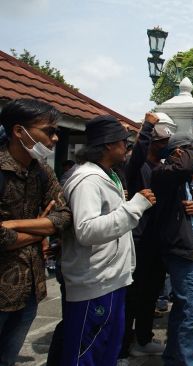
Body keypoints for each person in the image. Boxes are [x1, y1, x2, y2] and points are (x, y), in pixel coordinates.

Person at [60, 115, 156, 365]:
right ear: (107, 145)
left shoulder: (109, 175)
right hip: (94, 282)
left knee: (107, 352)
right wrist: (135, 206)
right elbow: (86, 230)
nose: (127, 147)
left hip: (112, 279)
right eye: (123, 142)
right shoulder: (88, 180)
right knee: (86, 354)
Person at [0, 99, 72, 366]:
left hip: (30, 288)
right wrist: (40, 229)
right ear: (19, 131)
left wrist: (16, 224)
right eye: (48, 130)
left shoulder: (41, 171)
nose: (54, 138)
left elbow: (63, 217)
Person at [149, 128, 193, 366]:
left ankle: (174, 358)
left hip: (192, 250)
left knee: (184, 308)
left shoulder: (184, 182)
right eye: (192, 154)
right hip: (181, 252)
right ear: (178, 153)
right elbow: (183, 167)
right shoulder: (162, 173)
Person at [118, 112, 171, 363]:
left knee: (150, 294)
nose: (165, 148)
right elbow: (138, 151)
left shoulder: (161, 168)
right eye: (161, 143)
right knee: (132, 296)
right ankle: (122, 345)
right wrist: (148, 126)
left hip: (155, 241)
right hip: (137, 239)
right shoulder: (135, 166)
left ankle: (143, 339)